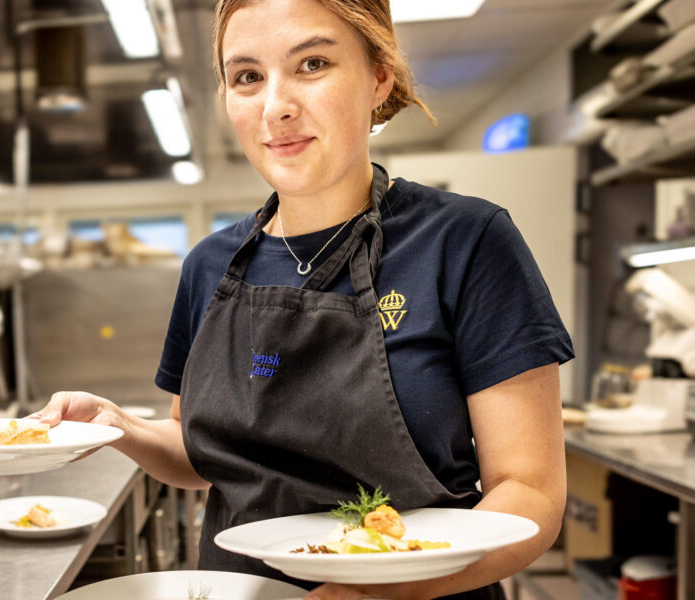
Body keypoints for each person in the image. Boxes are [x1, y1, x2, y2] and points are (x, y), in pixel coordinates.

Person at [36, 0, 574, 598]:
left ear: (378, 76)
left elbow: (531, 494)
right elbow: (195, 452)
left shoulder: (464, 242)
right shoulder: (209, 266)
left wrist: (386, 591)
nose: (276, 107)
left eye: (312, 63)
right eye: (247, 77)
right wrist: (121, 428)